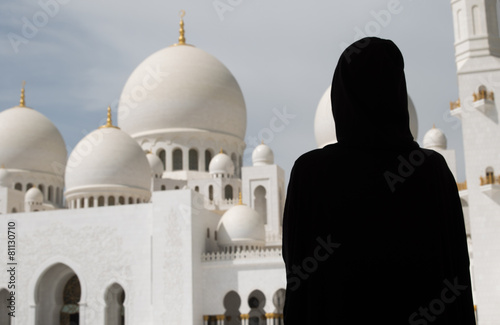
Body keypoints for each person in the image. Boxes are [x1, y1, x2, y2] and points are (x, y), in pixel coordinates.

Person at [282, 37, 475, 324]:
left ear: (341, 95)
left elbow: (298, 280)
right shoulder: (431, 172)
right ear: (398, 93)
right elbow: (457, 275)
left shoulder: (310, 174)